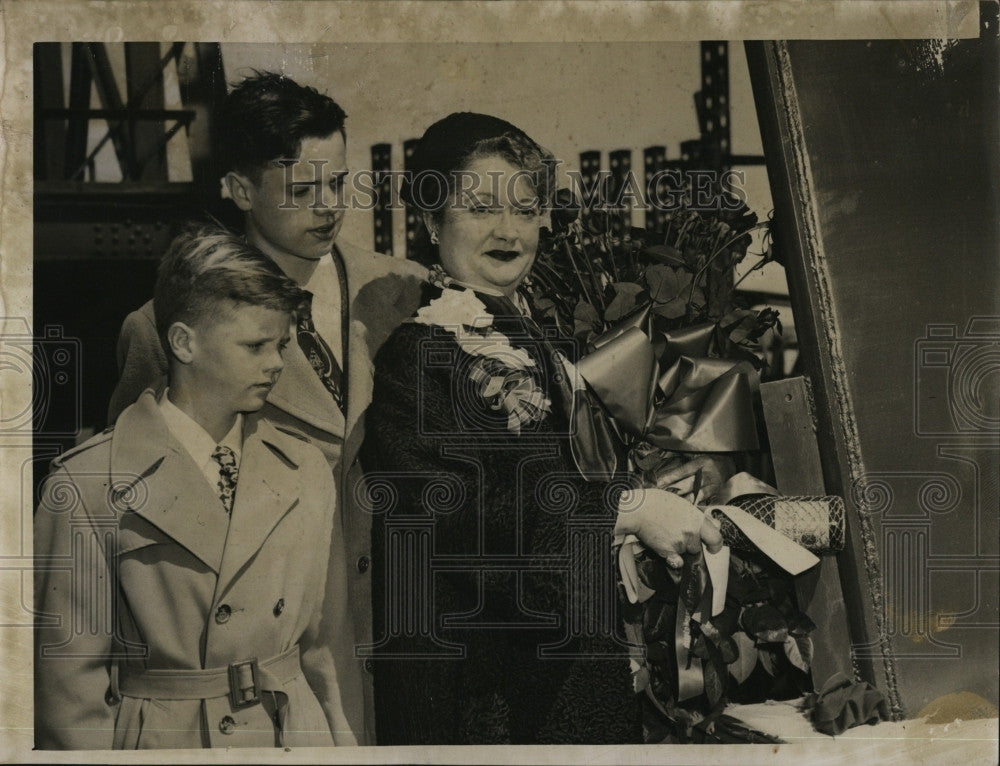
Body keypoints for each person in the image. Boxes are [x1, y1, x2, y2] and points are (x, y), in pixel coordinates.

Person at [360, 112, 724, 744]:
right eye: (480, 208)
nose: (508, 231)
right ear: (429, 221)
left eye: (526, 209)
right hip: (485, 704)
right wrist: (628, 507)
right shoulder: (414, 360)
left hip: (572, 680)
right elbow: (461, 521)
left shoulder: (539, 341)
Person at [106, 71, 424, 743]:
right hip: (284, 671)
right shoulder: (159, 329)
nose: (329, 206)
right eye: (302, 189)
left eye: (339, 182)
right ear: (239, 189)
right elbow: (138, 518)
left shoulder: (407, 293)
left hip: (419, 634)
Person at [34, 225, 360, 749]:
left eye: (281, 344)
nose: (277, 363)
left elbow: (327, 652)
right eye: (255, 345)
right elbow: (69, 696)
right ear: (184, 342)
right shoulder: (85, 488)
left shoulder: (305, 468)